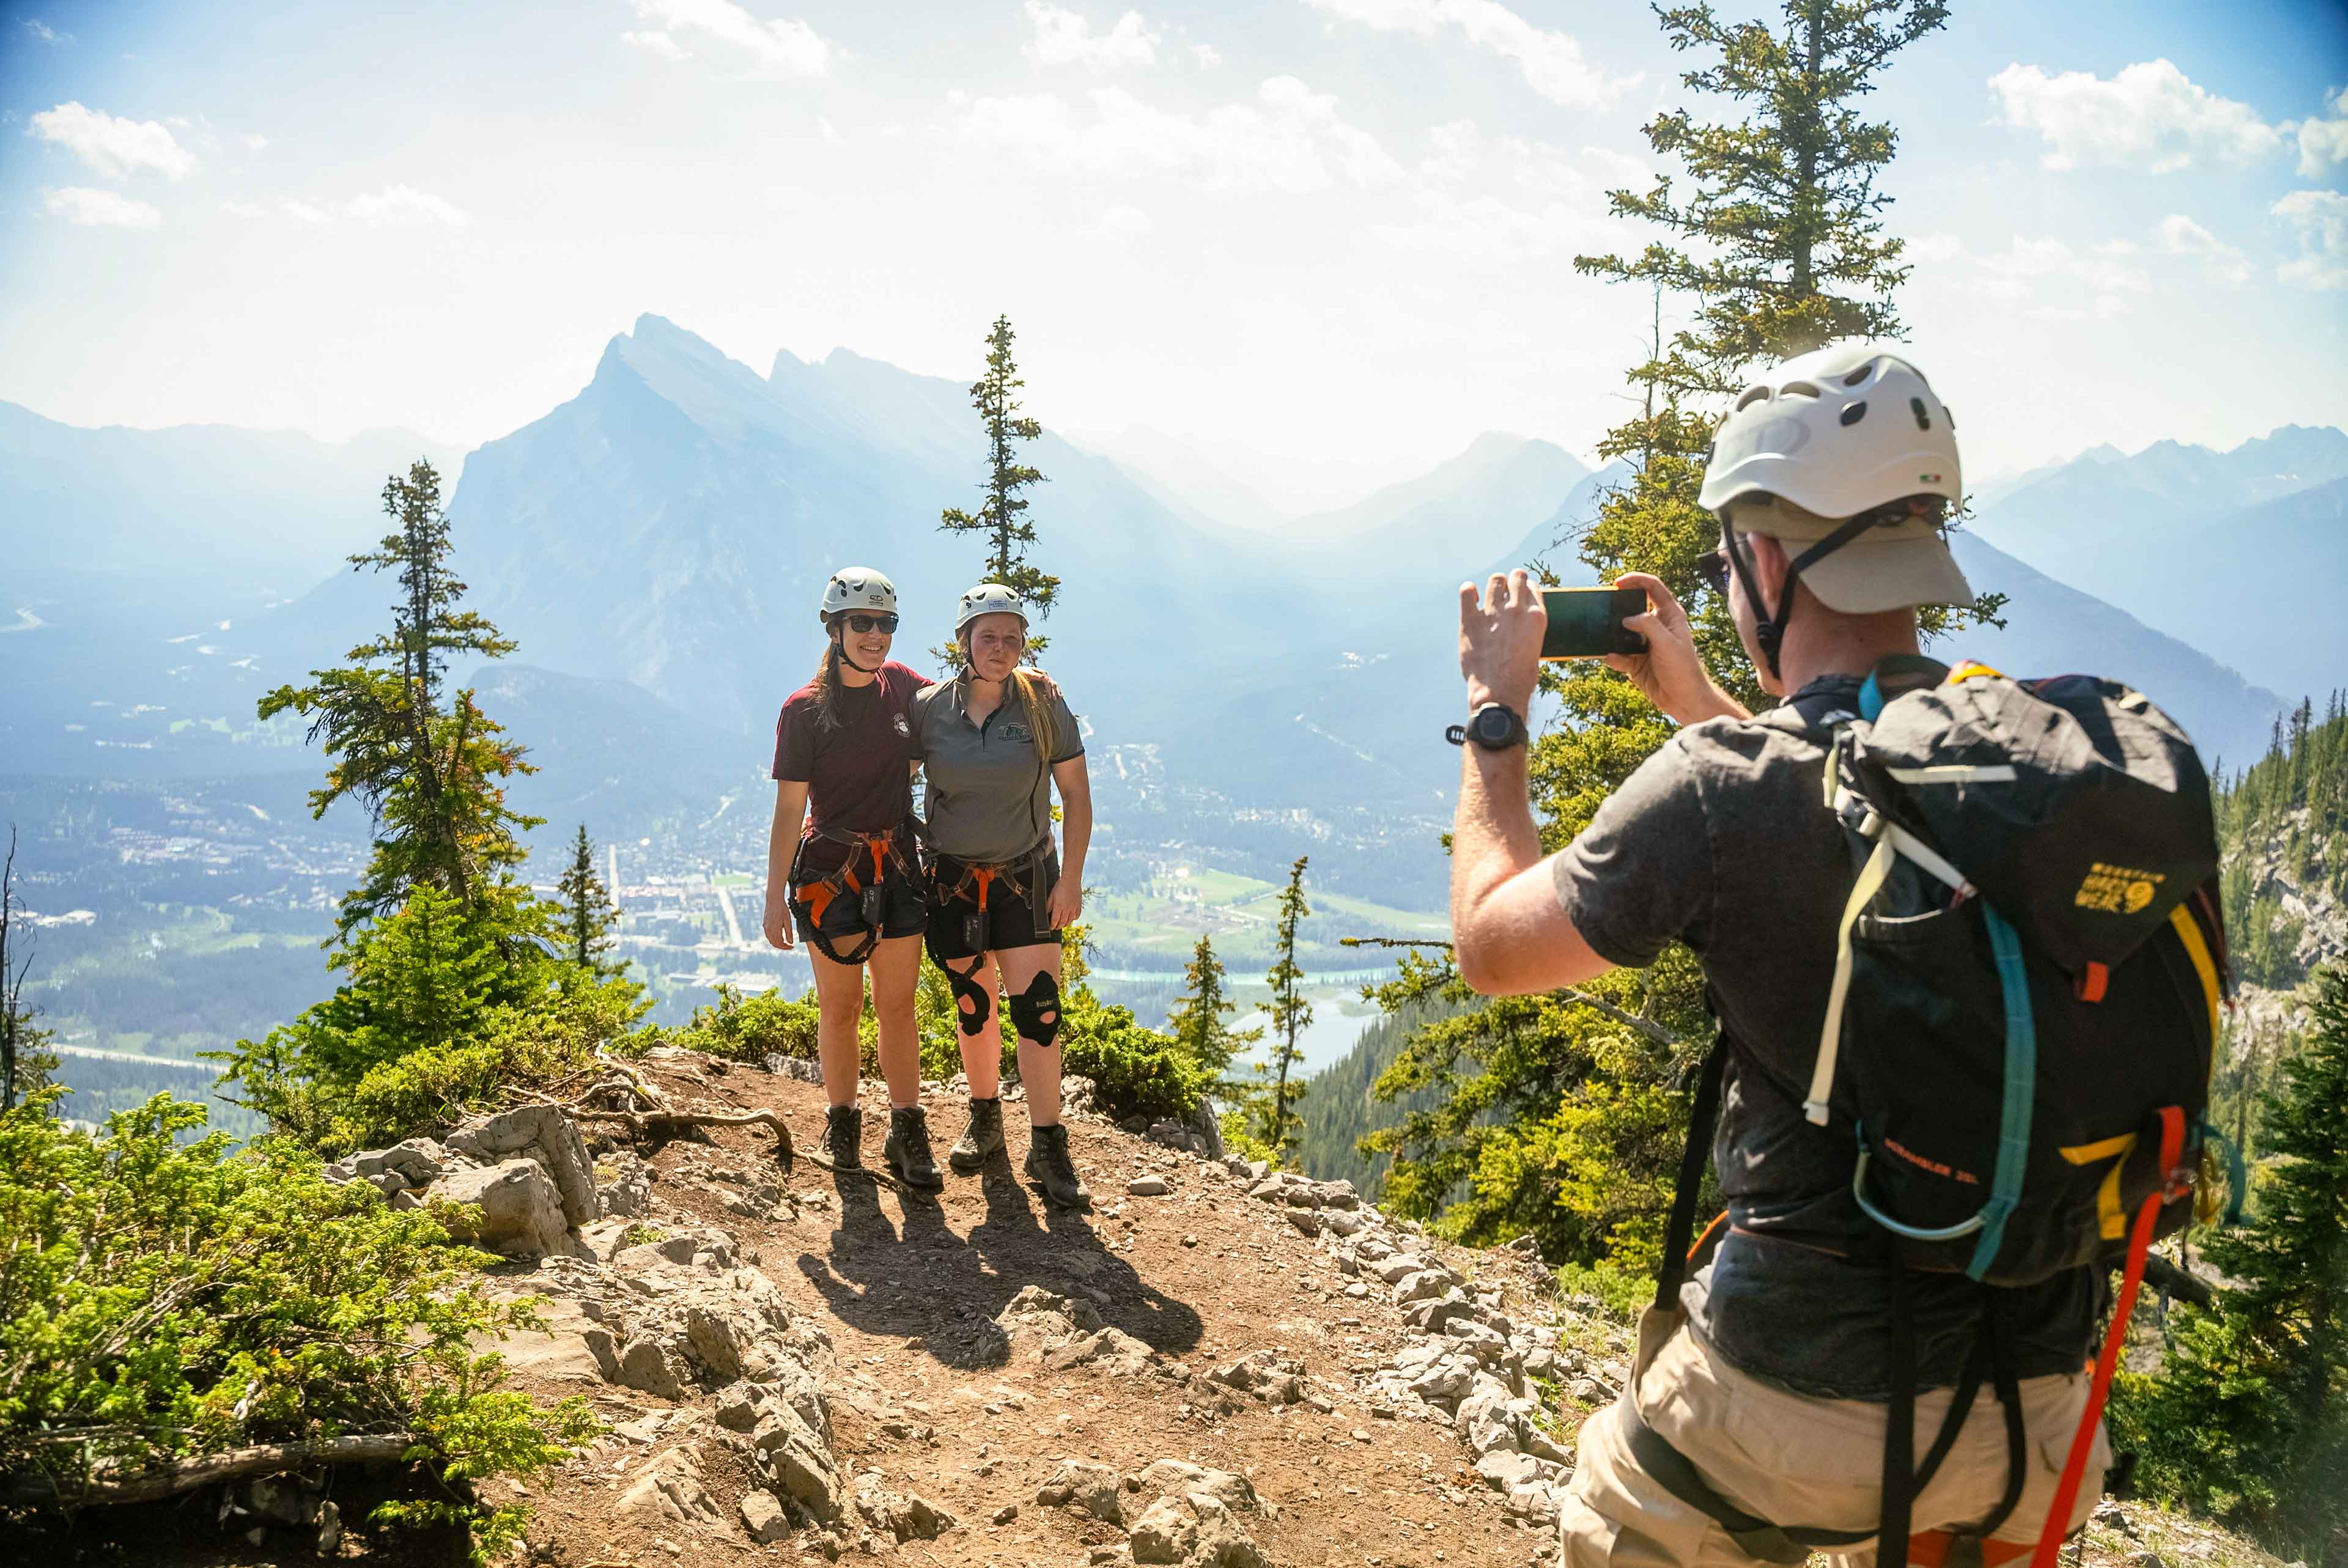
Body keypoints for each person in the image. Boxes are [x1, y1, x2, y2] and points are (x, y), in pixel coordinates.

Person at [1446, 344, 2108, 1566]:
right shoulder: (2023, 759)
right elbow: (1851, 806)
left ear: (1764, 557)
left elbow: (1493, 944)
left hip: (1802, 1398)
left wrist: (1499, 722)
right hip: (2046, 1406)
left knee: (1614, 1514)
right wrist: (1700, 699)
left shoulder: (1719, 792)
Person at [911, 583, 1095, 1208]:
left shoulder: (1043, 705)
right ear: (964, 641)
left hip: (1028, 876)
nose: (1000, 647)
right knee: (973, 1004)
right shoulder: (930, 708)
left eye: (1012, 637)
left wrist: (1070, 879)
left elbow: (1075, 793)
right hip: (955, 879)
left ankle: (1048, 1144)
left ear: (1024, 644)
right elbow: (892, 778)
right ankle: (985, 1117)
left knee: (1039, 1008)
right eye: (987, 636)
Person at [762, 567, 943, 1189]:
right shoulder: (805, 712)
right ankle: (842, 1123)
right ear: (834, 628)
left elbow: (963, 697)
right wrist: (773, 901)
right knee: (840, 1009)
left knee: (898, 1007)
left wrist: (1027, 681)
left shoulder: (903, 689)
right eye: (861, 623)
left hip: (894, 868)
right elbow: (790, 810)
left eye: (885, 623)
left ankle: (907, 1127)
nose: (875, 635)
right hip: (832, 872)